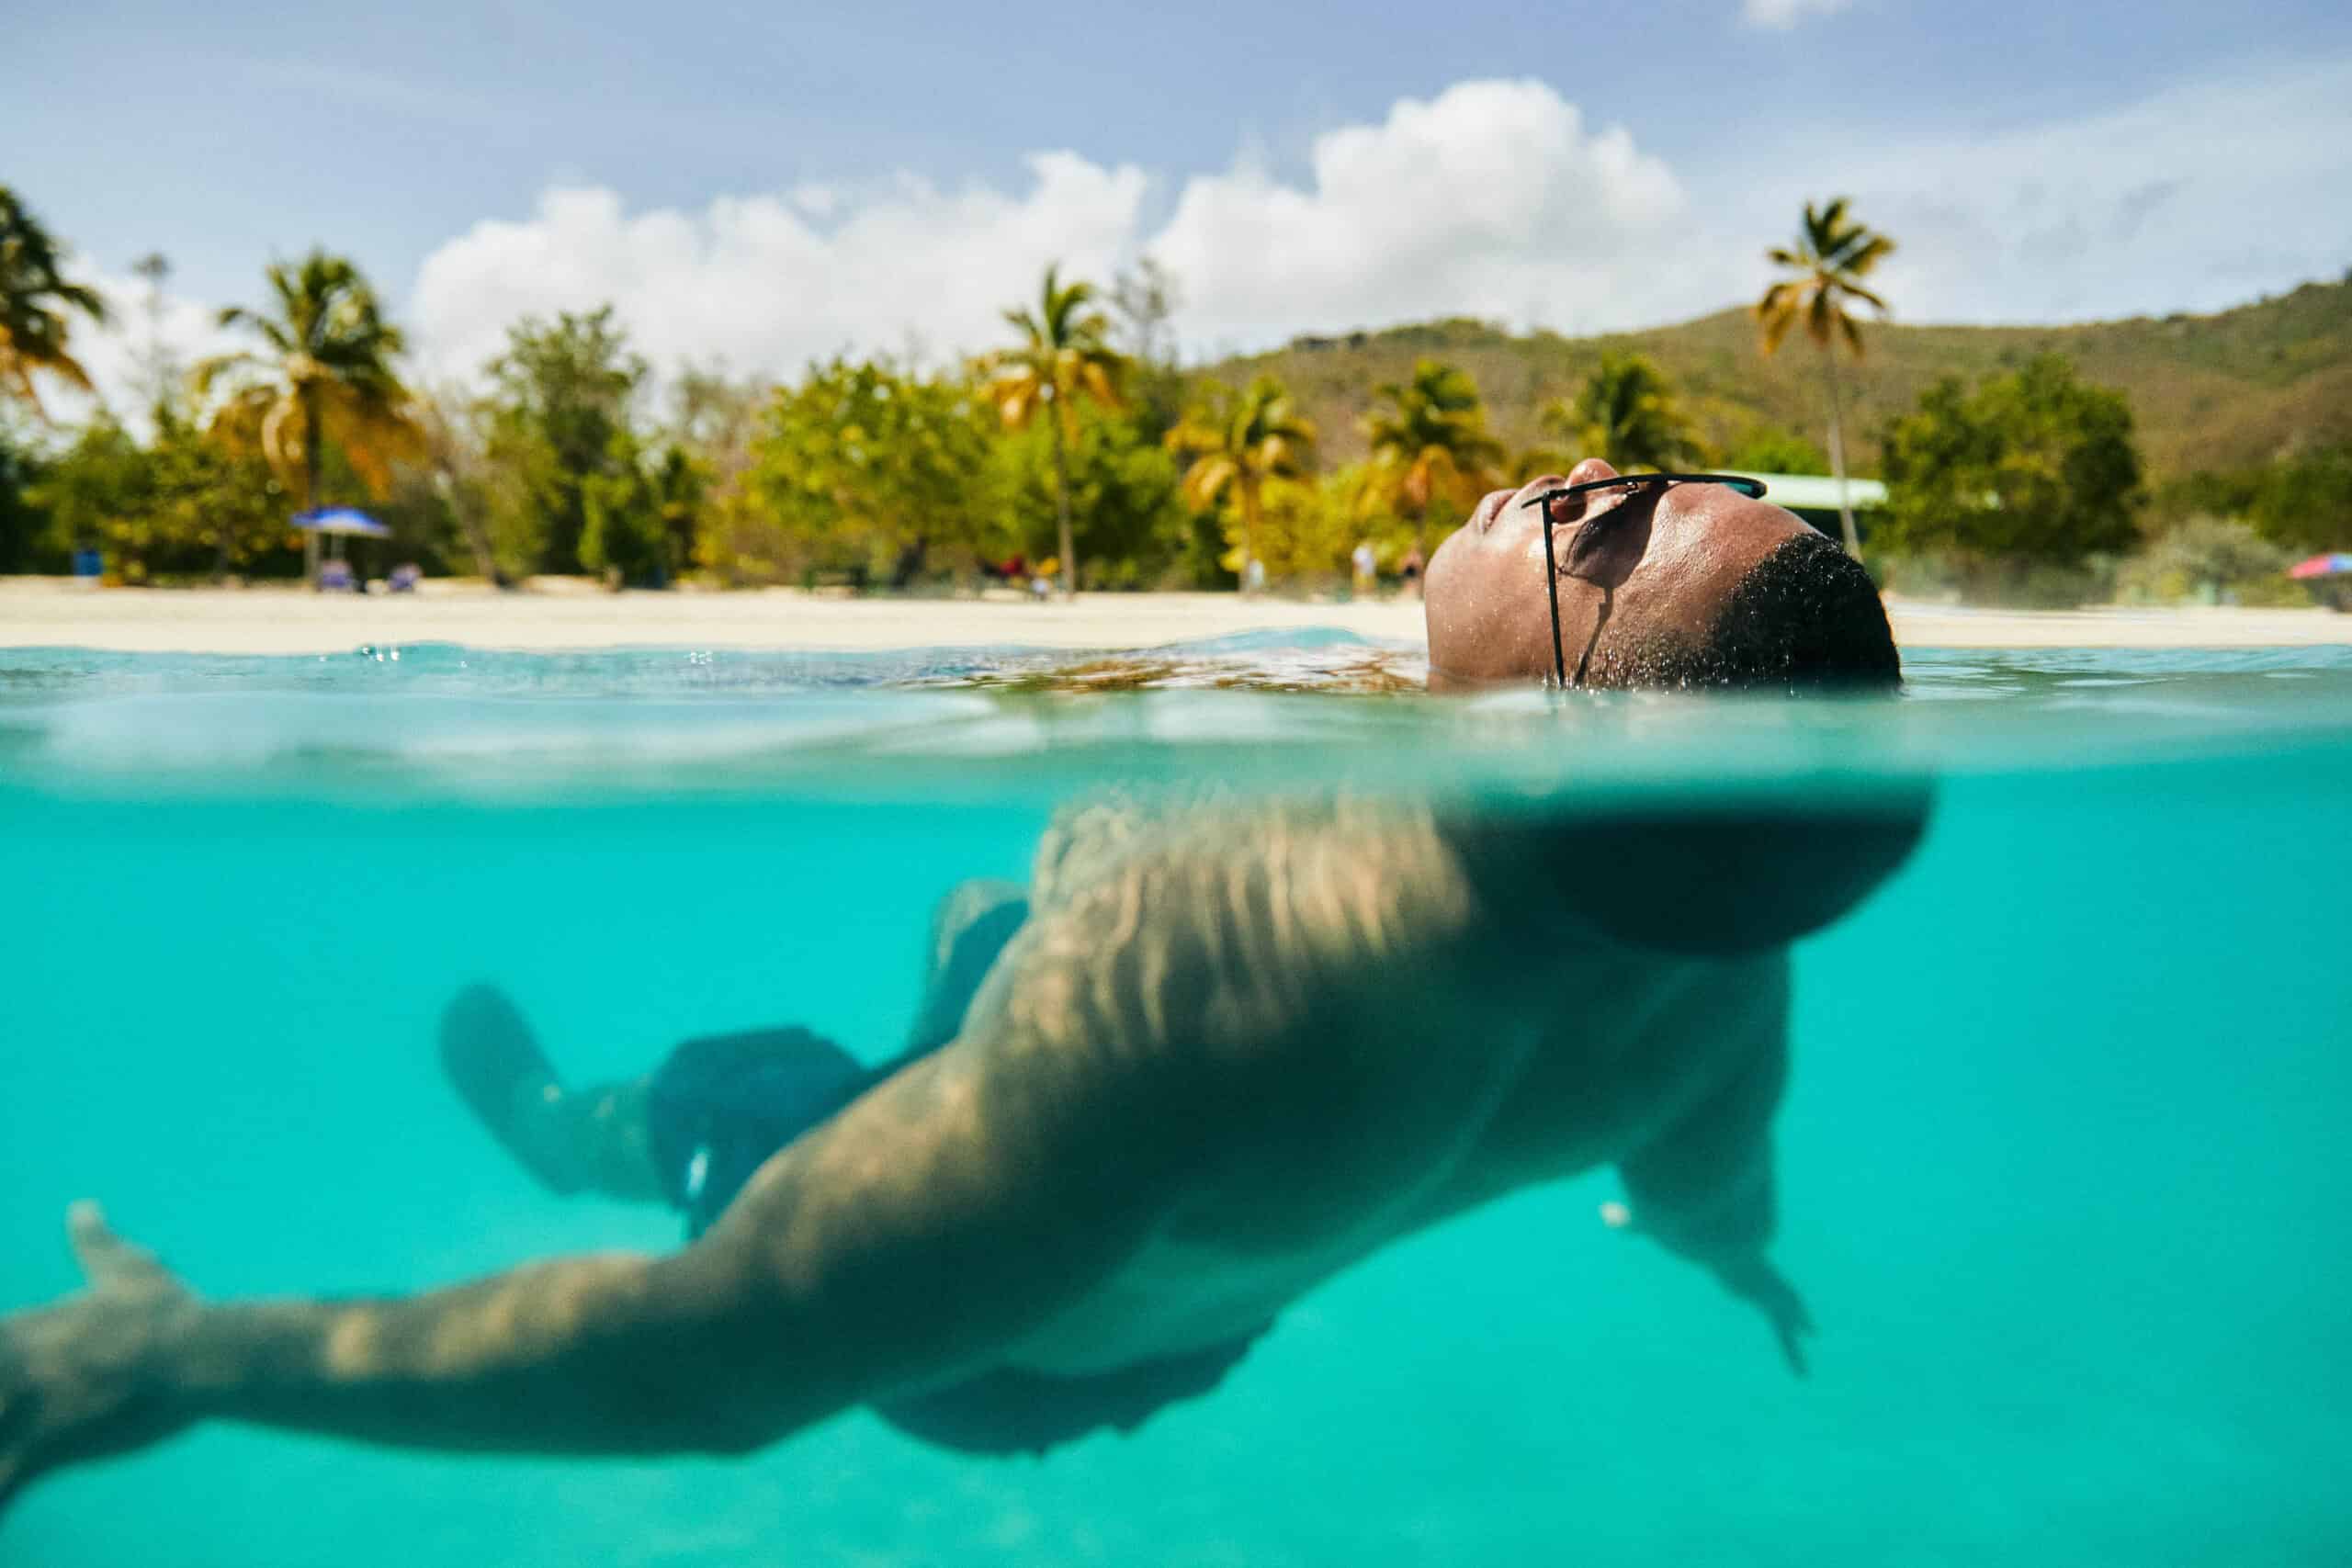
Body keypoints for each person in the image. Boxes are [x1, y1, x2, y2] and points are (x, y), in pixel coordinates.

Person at [0, 460, 1916, 1517]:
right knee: (984, 906)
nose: (1583, 476)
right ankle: (957, 950)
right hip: (1182, 1295)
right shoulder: (1703, 976)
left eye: (1609, 526)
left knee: (748, 1091)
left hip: (983, 1344)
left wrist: (195, 1352)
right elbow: (1700, 1185)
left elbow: (712, 1359)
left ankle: (588, 1128)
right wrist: (1728, 1259)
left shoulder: (1179, 1024)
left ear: (1544, 755)